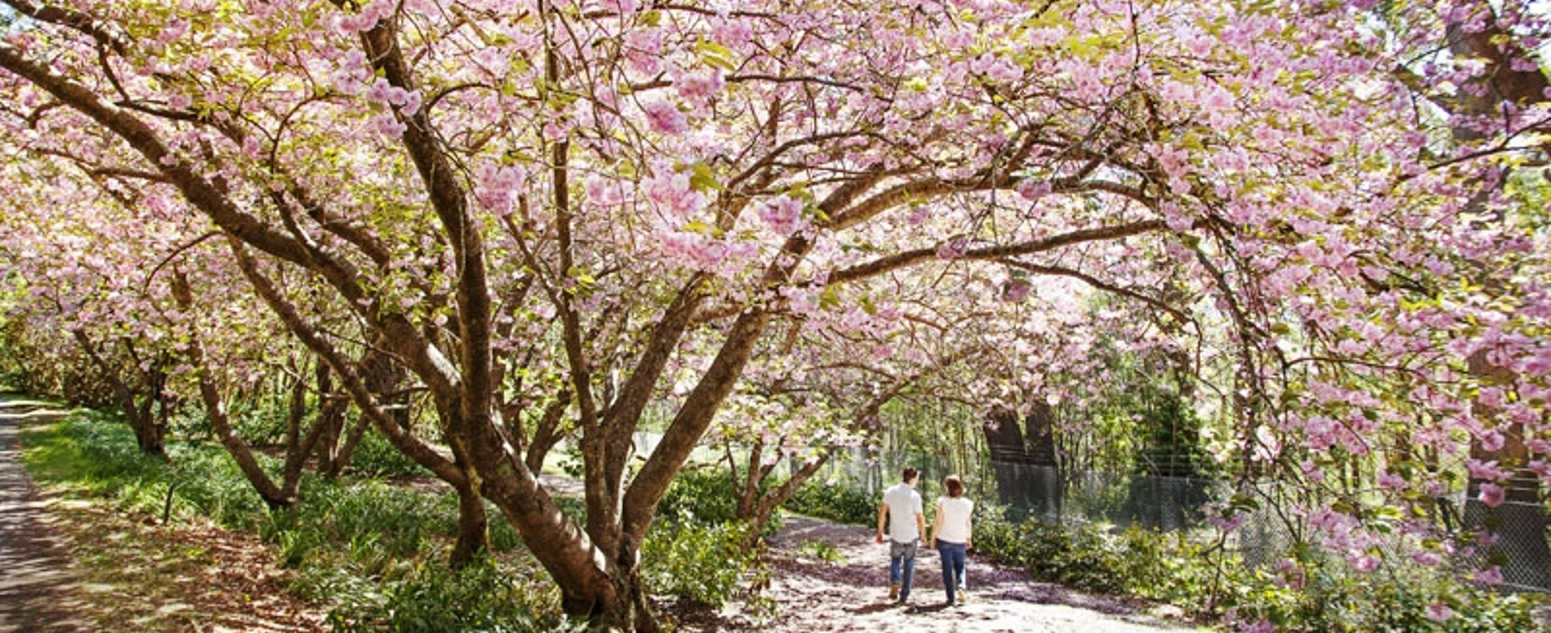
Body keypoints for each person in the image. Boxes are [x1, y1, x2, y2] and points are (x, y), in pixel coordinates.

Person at [875, 466, 925, 604]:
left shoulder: (891, 491)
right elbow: (920, 517)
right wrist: (923, 533)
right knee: (909, 564)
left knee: (895, 560)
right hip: (911, 534)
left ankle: (895, 581)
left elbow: (882, 512)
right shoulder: (915, 496)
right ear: (913, 478)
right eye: (917, 478)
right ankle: (904, 595)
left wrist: (880, 531)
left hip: (896, 533)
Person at [930, 474, 973, 606]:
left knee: (947, 568)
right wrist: (969, 537)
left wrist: (933, 538)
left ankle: (950, 597)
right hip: (960, 539)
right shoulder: (968, 504)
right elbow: (968, 523)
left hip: (945, 539)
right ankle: (961, 587)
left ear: (947, 488)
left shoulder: (942, 502)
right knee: (960, 566)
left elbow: (938, 522)